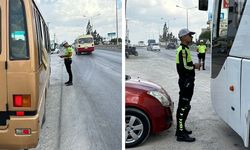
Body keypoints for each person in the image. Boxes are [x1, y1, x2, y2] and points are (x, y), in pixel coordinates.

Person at [175, 28, 201, 142]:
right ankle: (180, 134)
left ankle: (181, 129)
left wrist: (192, 65)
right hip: (186, 82)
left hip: (187, 81)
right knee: (183, 107)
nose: (191, 37)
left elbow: (186, 64)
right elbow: (183, 67)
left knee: (186, 106)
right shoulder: (182, 50)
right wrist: (194, 66)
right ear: (184, 37)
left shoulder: (185, 49)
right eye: (189, 35)